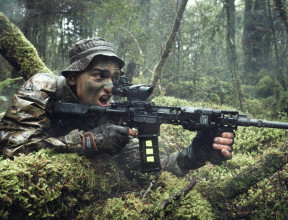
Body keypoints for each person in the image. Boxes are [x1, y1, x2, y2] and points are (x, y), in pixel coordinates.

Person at [0, 37, 234, 177]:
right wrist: (89, 141)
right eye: (99, 75)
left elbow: (150, 168)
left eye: (114, 77)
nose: (110, 85)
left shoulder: (111, 112)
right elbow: (13, 151)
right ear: (72, 77)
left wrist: (194, 155)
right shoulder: (43, 87)